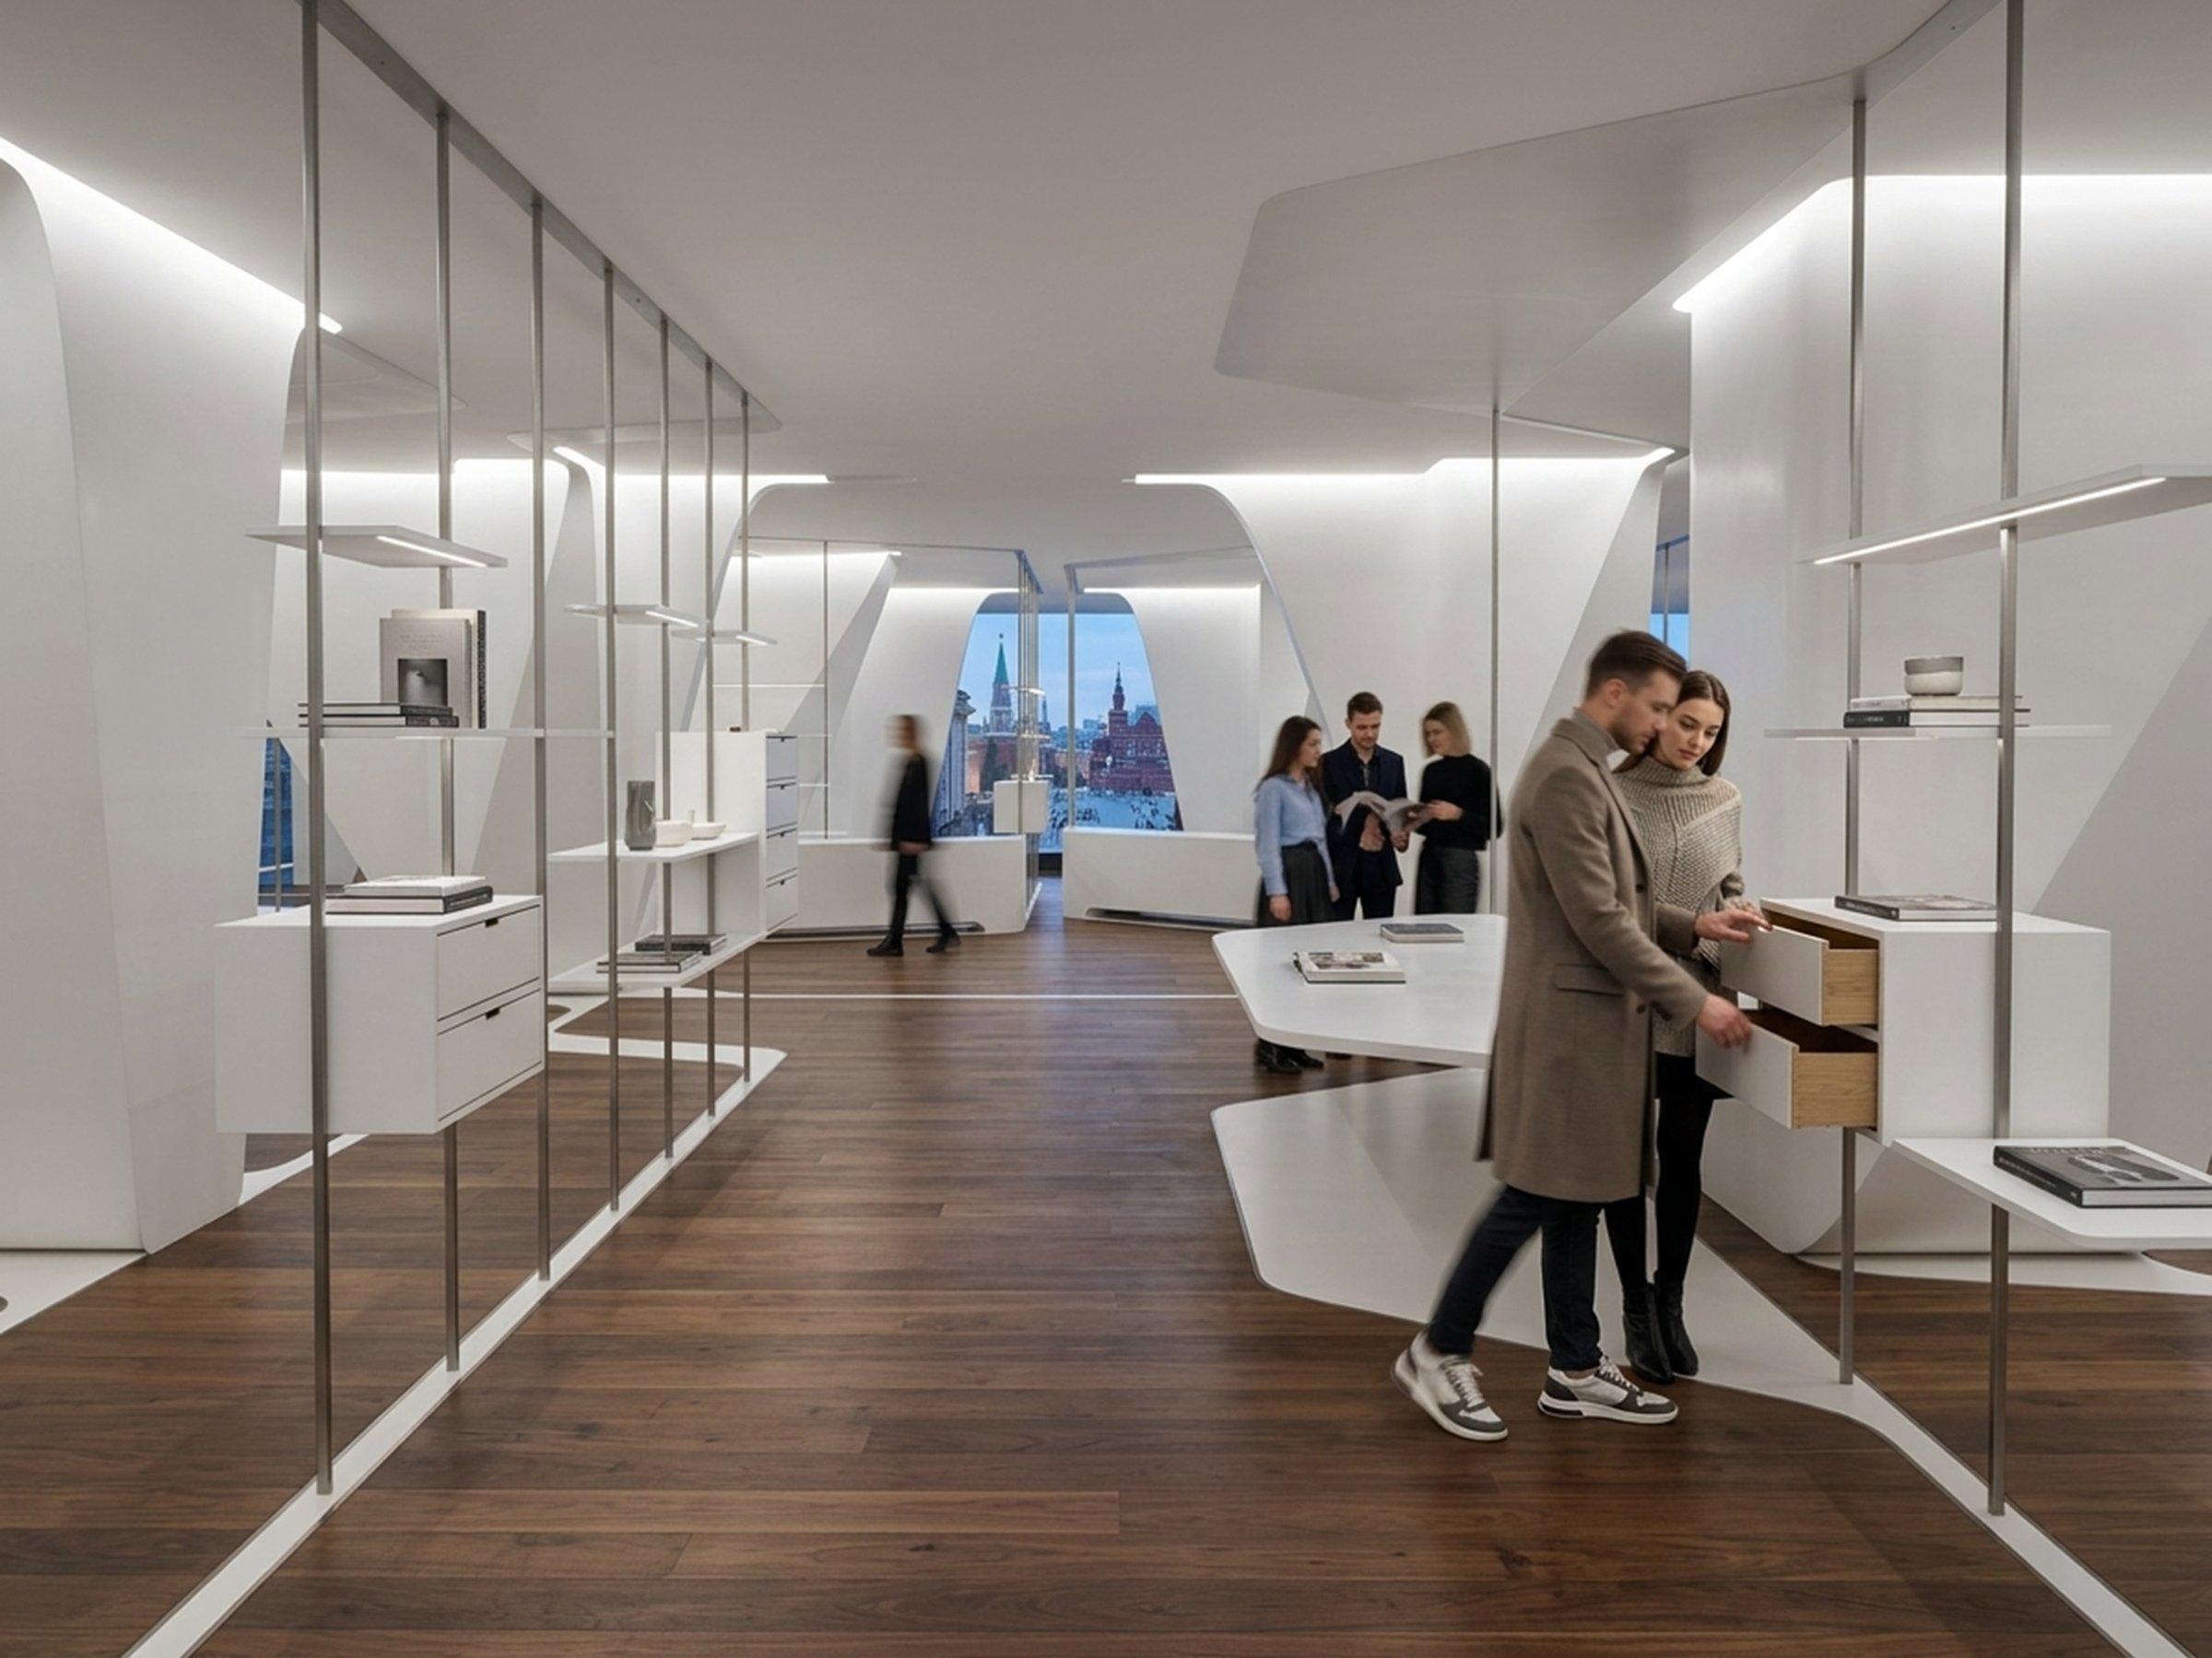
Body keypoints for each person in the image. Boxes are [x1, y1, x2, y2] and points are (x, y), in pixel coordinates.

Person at [1394, 631, 1763, 1442]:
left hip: (1595, 1027)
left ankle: (1575, 1365)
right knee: (1530, 1196)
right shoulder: (1566, 775)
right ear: (1617, 694)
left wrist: (1696, 920)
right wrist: (1695, 1002)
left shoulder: (1586, 769)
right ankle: (1437, 1347)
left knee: (1573, 1199)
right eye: (1663, 709)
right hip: (1568, 1030)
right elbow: (1597, 918)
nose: (1669, 727)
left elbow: (1621, 901)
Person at [1602, 670, 1745, 1385]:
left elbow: (1732, 886)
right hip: (1624, 1000)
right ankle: (1633, 1304)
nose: (1697, 740)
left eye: (1711, 730)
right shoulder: (1614, 792)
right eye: (1687, 722)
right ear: (1658, 718)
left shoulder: (1725, 799)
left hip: (1698, 1001)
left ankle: (1671, 1302)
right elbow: (1605, 905)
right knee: (1626, 1164)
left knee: (1683, 1159)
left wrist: (1730, 934)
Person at [1251, 715, 1335, 1074]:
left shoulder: (1310, 789)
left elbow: (1319, 839)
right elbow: (1267, 844)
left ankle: (1294, 1044)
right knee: (1280, 968)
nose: (1319, 750)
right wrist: (1277, 892)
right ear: (1295, 746)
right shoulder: (1273, 789)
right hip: (1288, 875)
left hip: (1312, 874)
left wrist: (1329, 880)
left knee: (1306, 963)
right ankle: (1270, 1047)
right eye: (1313, 744)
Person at [867, 714, 959, 958]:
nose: (896, 735)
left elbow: (917, 804)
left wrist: (913, 839)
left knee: (902, 888)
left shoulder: (918, 762)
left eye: (901, 731)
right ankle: (944, 931)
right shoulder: (912, 761)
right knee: (910, 887)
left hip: (910, 840)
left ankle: (897, 941)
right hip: (907, 839)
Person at [1321, 691, 1408, 921]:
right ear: (1348, 724)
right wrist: (1360, 832)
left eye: (1375, 726)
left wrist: (1401, 835)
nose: (1369, 734)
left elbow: (1399, 809)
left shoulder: (1394, 762)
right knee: (1335, 941)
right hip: (1343, 867)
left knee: (1380, 942)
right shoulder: (1329, 763)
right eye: (1362, 727)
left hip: (1381, 868)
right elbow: (1322, 823)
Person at [1410, 700, 1493, 914]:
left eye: (1437, 732)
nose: (1432, 739)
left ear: (1454, 730)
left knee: (1457, 928)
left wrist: (1458, 814)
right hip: (1430, 857)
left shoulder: (1479, 771)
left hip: (1460, 860)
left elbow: (1494, 827)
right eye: (1428, 734)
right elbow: (1426, 826)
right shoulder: (1431, 771)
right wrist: (1413, 819)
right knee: (1423, 927)